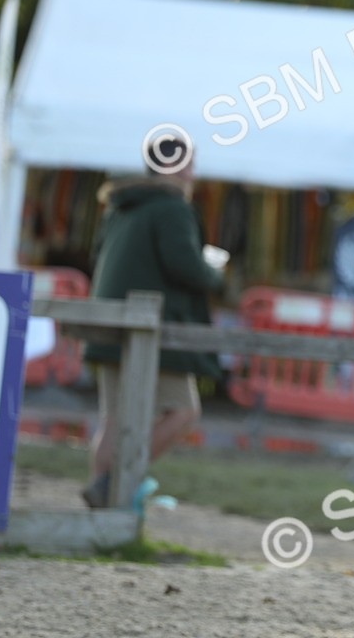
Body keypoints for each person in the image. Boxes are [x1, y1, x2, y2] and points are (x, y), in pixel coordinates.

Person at [82, 137, 224, 508]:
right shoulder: (172, 208)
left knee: (114, 417)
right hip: (149, 330)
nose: (193, 174)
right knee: (183, 411)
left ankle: (102, 502)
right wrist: (214, 274)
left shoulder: (120, 205)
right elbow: (185, 266)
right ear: (173, 168)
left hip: (106, 325)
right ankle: (116, 483)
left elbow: (97, 256)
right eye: (189, 165)